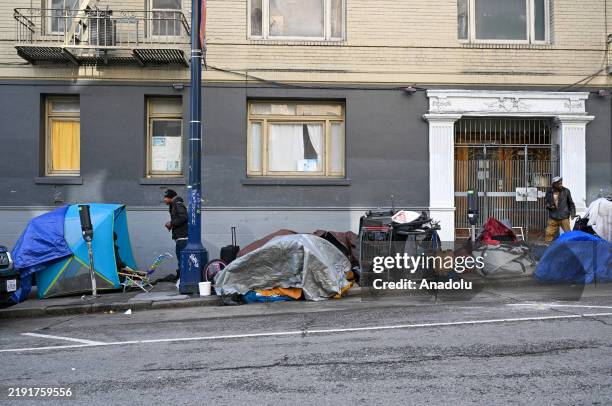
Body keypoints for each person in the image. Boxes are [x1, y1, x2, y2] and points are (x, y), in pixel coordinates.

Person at [162, 189, 188, 281]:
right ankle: (182, 278)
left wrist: (171, 223)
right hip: (180, 237)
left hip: (183, 237)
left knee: (182, 258)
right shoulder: (174, 204)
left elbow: (183, 217)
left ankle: (184, 278)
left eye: (165, 197)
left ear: (170, 197)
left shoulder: (177, 204)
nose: (164, 199)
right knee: (180, 258)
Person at [544, 176, 576, 242]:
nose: (560, 184)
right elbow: (546, 202)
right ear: (554, 184)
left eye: (561, 182)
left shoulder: (566, 191)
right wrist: (549, 206)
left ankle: (570, 246)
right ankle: (547, 247)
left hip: (564, 217)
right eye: (558, 183)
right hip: (553, 216)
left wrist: (573, 213)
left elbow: (571, 203)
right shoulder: (549, 191)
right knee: (548, 233)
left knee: (568, 234)